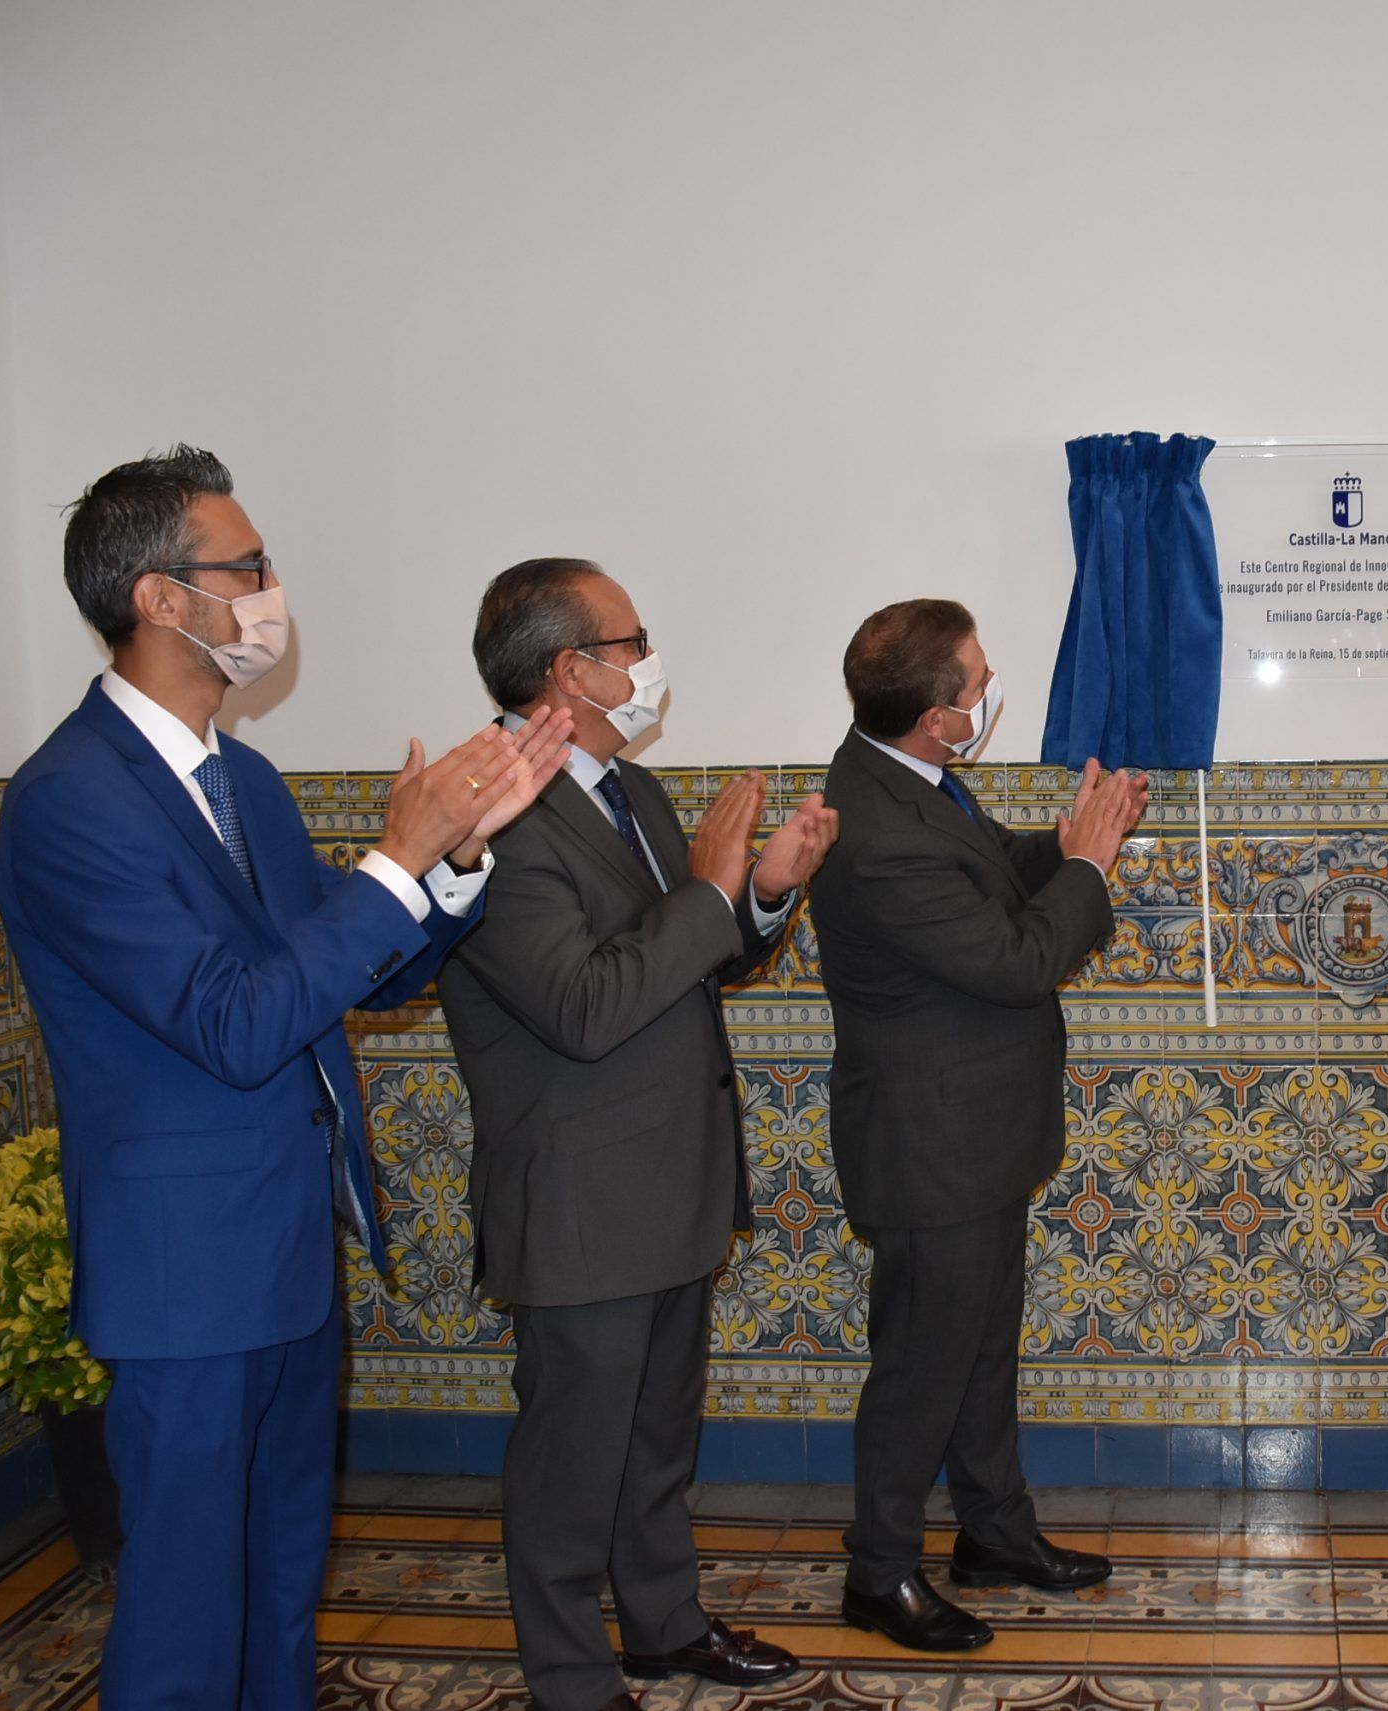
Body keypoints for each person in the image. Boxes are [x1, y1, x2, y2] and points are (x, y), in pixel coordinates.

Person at [0, 446, 568, 1711]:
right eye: (244, 566)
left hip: (286, 1247)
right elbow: (236, 1023)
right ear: (159, 598)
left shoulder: (239, 778)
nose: (270, 589)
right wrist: (394, 861)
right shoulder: (69, 801)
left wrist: (453, 861)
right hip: (185, 1274)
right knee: (187, 1609)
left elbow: (350, 973)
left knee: (277, 1586)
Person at [436, 558, 837, 1711]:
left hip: (669, 1178)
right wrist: (708, 895)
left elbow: (689, 955)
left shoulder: (628, 790)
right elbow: (583, 1005)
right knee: (574, 1455)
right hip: (580, 1200)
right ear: (572, 669)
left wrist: (759, 894)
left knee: (655, 1436)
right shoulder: (493, 811)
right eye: (632, 640)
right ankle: (569, 1673)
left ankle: (663, 1623)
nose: (648, 660)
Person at [808, 598, 1148, 1651]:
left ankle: (994, 1533)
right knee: (923, 1368)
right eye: (978, 682)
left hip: (976, 1139)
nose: (990, 691)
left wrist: (1063, 842)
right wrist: (1090, 865)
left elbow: (991, 862)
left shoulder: (905, 777)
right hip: (931, 1148)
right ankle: (879, 1572)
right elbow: (1015, 961)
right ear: (936, 717)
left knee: (979, 1352)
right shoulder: (878, 835)